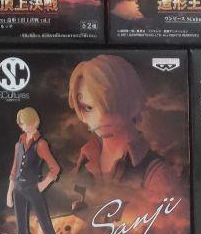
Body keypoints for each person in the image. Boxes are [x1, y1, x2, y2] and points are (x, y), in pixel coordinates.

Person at [68, 54, 180, 197]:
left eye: (110, 105)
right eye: (88, 108)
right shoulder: (86, 158)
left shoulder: (156, 173)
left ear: (133, 103)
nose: (101, 118)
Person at [7, 107, 64, 234]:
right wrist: (9, 192)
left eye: (25, 123)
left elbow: (55, 168)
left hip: (33, 189)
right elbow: (14, 169)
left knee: (46, 227)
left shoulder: (41, 144)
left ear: (33, 122)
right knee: (21, 229)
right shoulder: (19, 144)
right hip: (18, 189)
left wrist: (42, 185)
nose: (23, 127)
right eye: (21, 124)